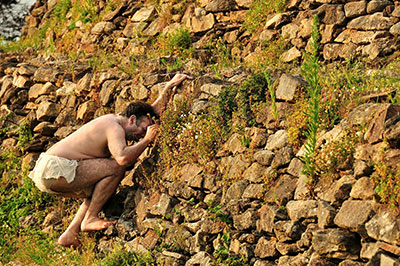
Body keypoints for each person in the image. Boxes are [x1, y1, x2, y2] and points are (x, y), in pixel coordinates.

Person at [28, 73, 193, 248]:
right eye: (144, 129)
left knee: (99, 190)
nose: (143, 134)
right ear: (132, 119)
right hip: (55, 168)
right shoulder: (113, 126)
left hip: (48, 171)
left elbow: (150, 112)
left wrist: (168, 89)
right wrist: (147, 141)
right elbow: (122, 159)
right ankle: (90, 218)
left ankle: (70, 233)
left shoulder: (124, 121)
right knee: (115, 168)